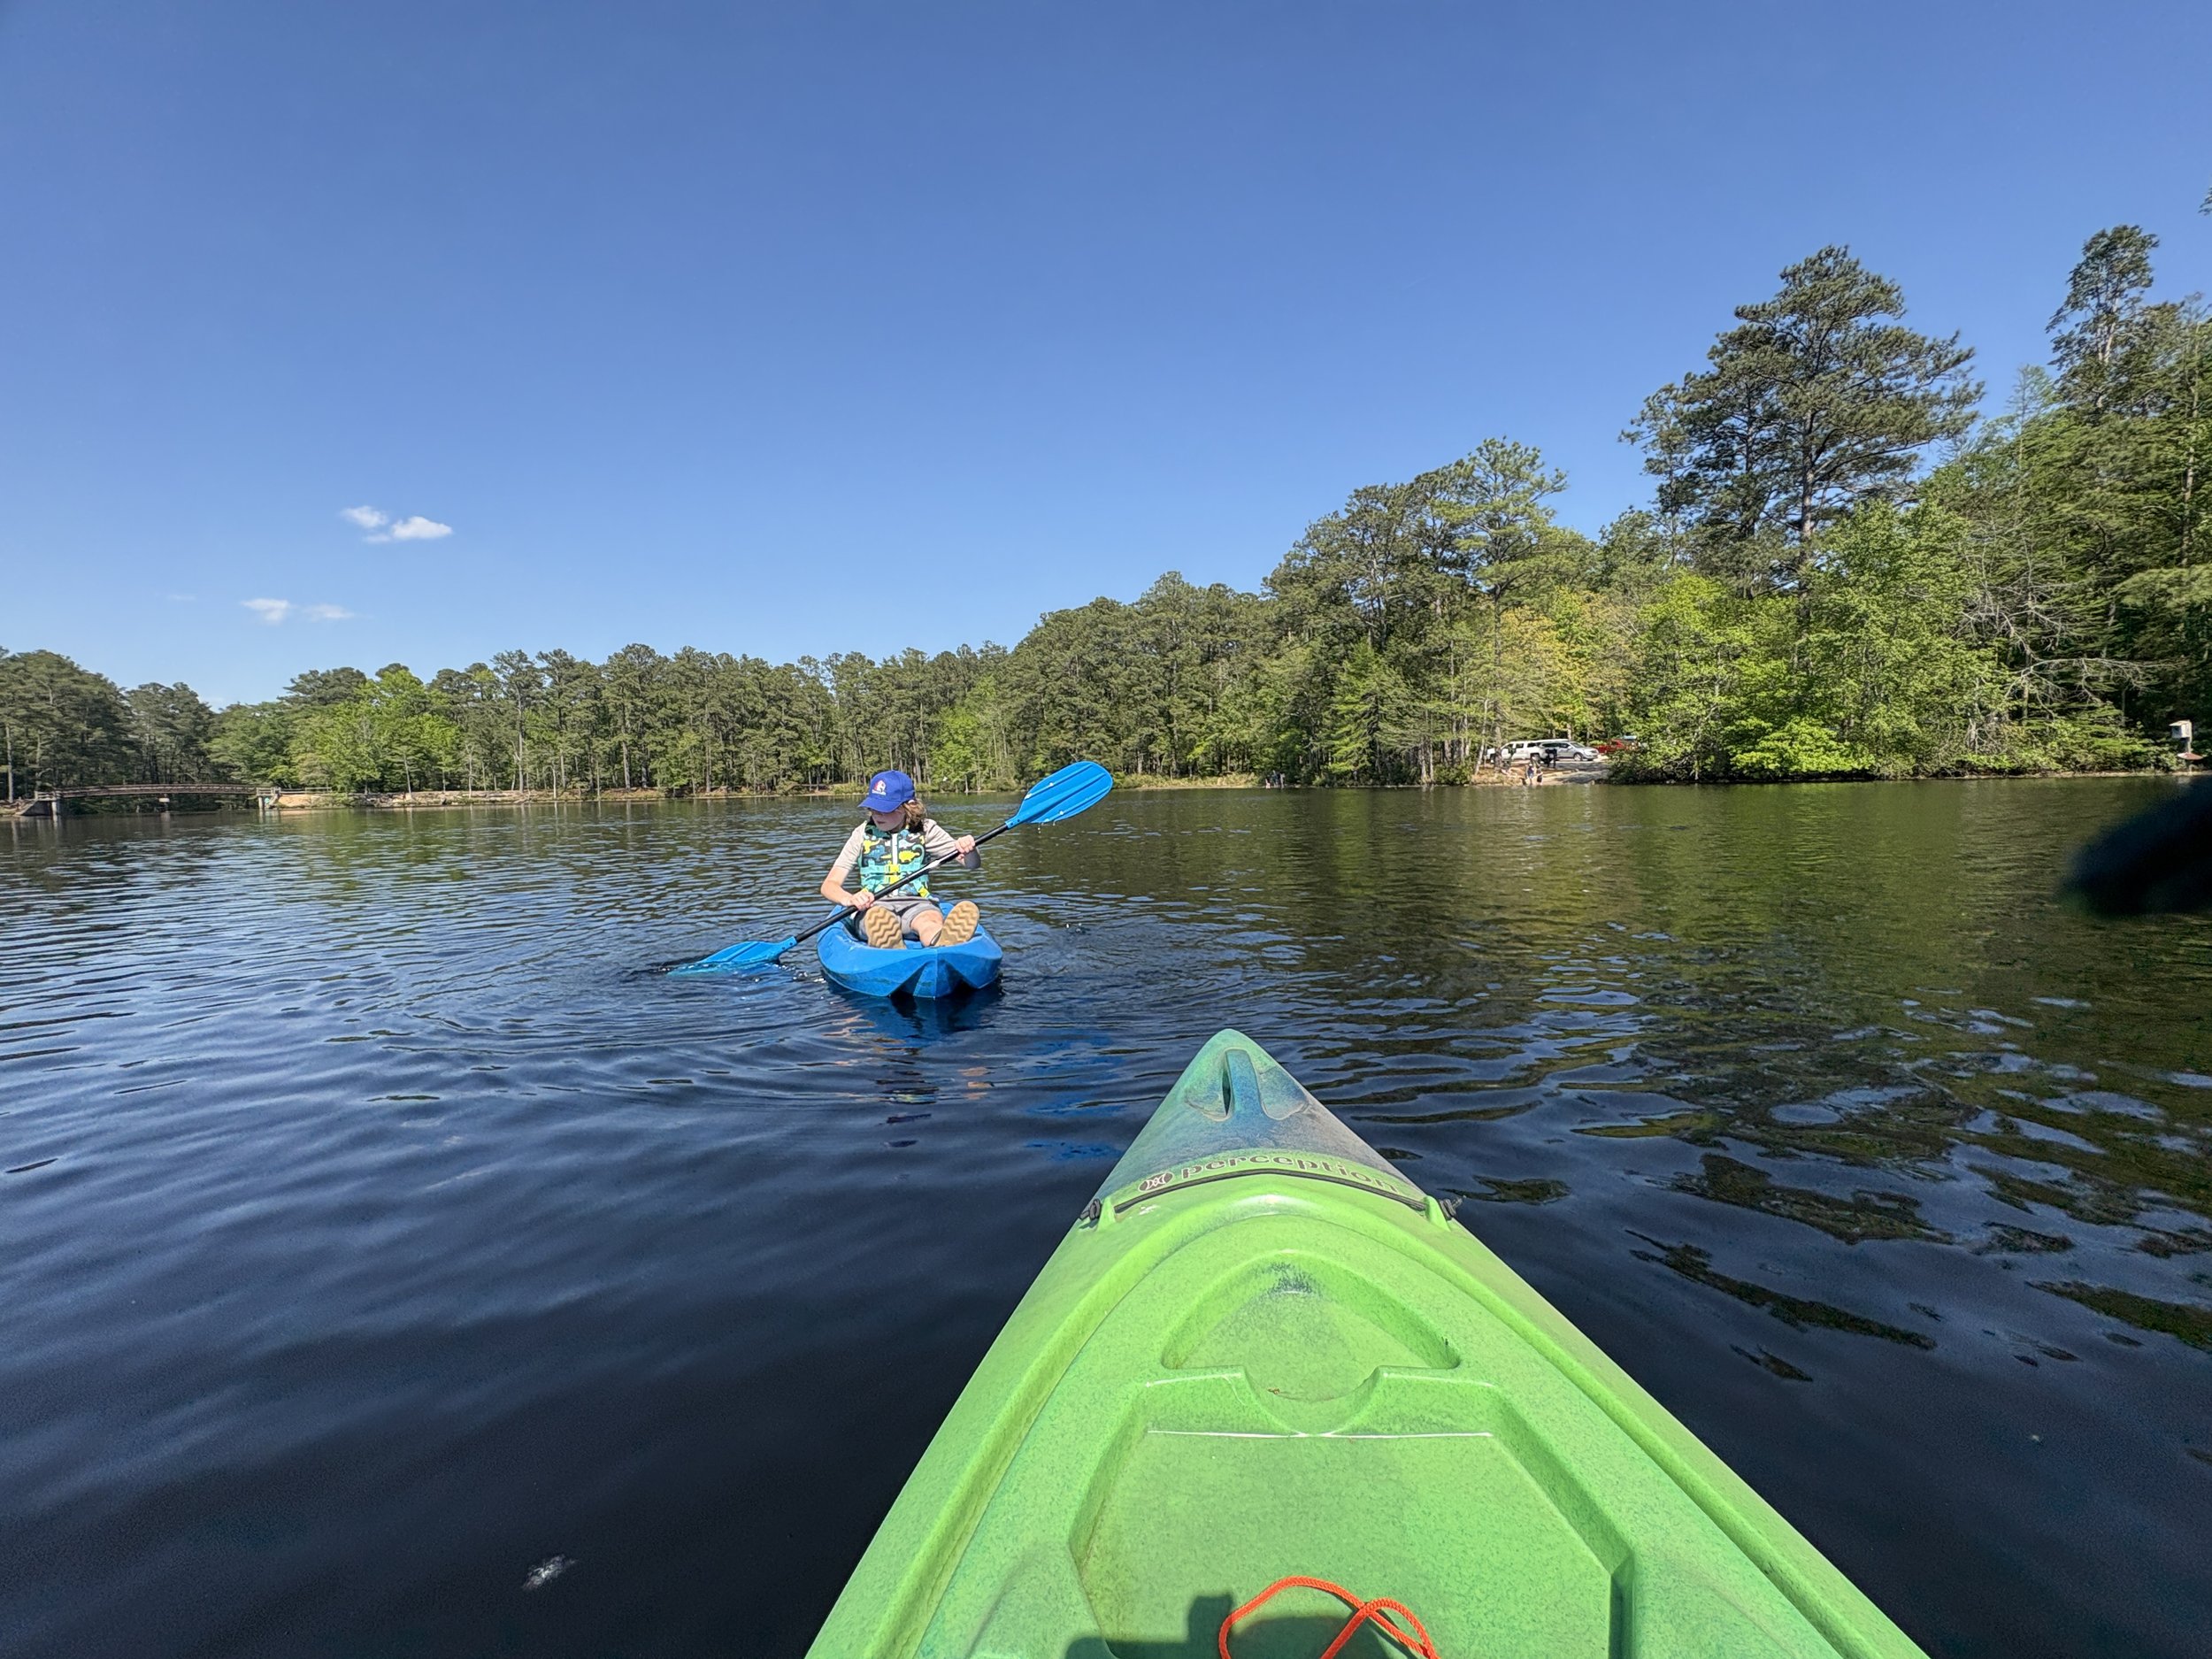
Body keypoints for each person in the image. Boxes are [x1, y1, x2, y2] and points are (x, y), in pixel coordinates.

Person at [819, 769, 981, 950]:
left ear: (908, 807)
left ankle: (942, 943)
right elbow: (829, 886)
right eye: (873, 808)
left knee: (929, 920)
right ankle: (889, 944)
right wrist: (849, 899)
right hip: (874, 905)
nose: (877, 814)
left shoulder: (926, 830)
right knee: (879, 919)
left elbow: (972, 864)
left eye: (885, 809)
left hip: (917, 903)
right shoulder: (861, 834)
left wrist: (969, 849)